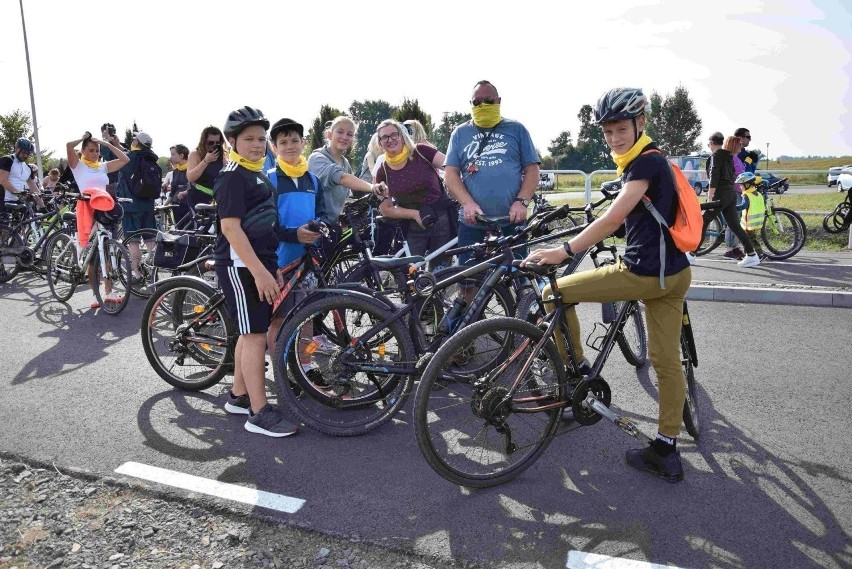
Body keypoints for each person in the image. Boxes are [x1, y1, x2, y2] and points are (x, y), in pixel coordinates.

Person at [523, 87, 692, 483]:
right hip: (675, 275)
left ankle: (575, 367)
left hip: (643, 276)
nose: (614, 138)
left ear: (641, 123)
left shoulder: (644, 165)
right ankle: (667, 449)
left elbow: (614, 220)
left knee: (553, 293)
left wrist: (563, 250)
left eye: (620, 129)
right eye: (608, 131)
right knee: (666, 362)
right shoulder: (652, 160)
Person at [215, 106, 298, 438]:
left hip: (259, 264)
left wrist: (272, 268)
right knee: (255, 337)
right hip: (240, 266)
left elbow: (267, 226)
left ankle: (238, 396)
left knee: (250, 332)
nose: (257, 144)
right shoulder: (233, 175)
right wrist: (259, 272)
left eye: (262, 139)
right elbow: (231, 229)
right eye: (249, 139)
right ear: (232, 140)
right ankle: (258, 412)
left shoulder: (258, 172)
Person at [444, 80, 540, 262]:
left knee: (516, 276)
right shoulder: (460, 133)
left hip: (511, 221)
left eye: (488, 100)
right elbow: (450, 173)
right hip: (473, 223)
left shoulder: (516, 129)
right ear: (470, 104)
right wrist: (467, 203)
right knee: (468, 283)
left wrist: (522, 201)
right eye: (476, 102)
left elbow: (532, 170)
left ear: (499, 101)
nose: (482, 106)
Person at [264, 117, 328, 382]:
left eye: (294, 141)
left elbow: (322, 213)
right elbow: (265, 225)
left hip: (306, 262)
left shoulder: (313, 180)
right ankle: (280, 368)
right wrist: (293, 234)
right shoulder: (269, 180)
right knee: (277, 320)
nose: (289, 146)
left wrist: (320, 227)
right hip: (279, 261)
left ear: (303, 144)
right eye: (283, 142)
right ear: (275, 147)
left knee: (307, 317)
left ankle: (306, 364)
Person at [66, 131, 129, 308]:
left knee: (107, 251)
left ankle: (108, 292)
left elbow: (125, 160)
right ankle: (95, 294)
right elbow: (69, 146)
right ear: (84, 151)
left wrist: (107, 144)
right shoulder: (77, 165)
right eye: (91, 150)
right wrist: (82, 137)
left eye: (97, 150)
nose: (95, 153)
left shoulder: (101, 166)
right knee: (93, 256)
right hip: (88, 210)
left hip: (105, 209)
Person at [374, 119, 452, 259]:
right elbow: (386, 209)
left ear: (402, 136)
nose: (390, 139)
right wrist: (414, 214)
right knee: (411, 271)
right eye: (384, 137)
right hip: (411, 226)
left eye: (394, 134)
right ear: (380, 143)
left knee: (441, 271)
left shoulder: (422, 151)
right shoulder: (382, 171)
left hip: (441, 219)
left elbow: (451, 168)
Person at [307, 116, 386, 255]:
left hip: (331, 226)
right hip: (313, 228)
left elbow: (345, 196)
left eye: (350, 134)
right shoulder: (317, 158)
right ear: (329, 135)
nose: (345, 137)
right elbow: (341, 178)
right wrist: (372, 187)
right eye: (340, 132)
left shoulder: (345, 164)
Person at [701, 131, 760, 268]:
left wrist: (710, 198)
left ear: (711, 143)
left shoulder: (718, 156)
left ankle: (690, 254)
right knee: (734, 225)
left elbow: (714, 178)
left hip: (721, 195)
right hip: (731, 194)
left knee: (703, 222)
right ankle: (752, 254)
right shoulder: (730, 157)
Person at [116, 132, 160, 284]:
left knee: (133, 241)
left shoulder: (130, 159)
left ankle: (138, 274)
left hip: (130, 205)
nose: (132, 140)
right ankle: (155, 273)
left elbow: (115, 160)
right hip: (148, 205)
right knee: (150, 239)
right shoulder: (151, 157)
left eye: (134, 139)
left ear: (136, 142)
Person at [186, 126, 228, 214]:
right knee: (202, 226)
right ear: (204, 142)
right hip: (198, 196)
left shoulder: (223, 155)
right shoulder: (195, 154)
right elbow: (190, 177)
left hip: (217, 197)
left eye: (218, 143)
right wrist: (206, 161)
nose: (214, 145)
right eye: (210, 143)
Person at [0, 138, 46, 213]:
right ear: (17, 149)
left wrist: (43, 207)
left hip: (19, 203)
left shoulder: (27, 168)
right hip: (4, 202)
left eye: (28, 153)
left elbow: (34, 188)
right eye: (23, 152)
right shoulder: (8, 160)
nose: (25, 155)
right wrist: (19, 194)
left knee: (29, 223)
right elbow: (2, 180)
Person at [722, 135, 746, 259]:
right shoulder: (734, 159)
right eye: (739, 145)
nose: (741, 147)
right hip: (735, 192)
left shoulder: (732, 158)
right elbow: (741, 176)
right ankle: (730, 249)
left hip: (733, 191)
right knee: (733, 221)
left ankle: (734, 247)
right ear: (735, 146)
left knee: (734, 221)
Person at [167, 144, 191, 224]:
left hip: (188, 207)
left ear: (181, 155)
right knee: (179, 231)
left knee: (189, 233)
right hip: (176, 206)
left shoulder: (191, 169)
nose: (171, 157)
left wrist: (185, 192)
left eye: (173, 154)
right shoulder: (176, 171)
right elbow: (173, 190)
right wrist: (165, 205)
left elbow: (195, 187)